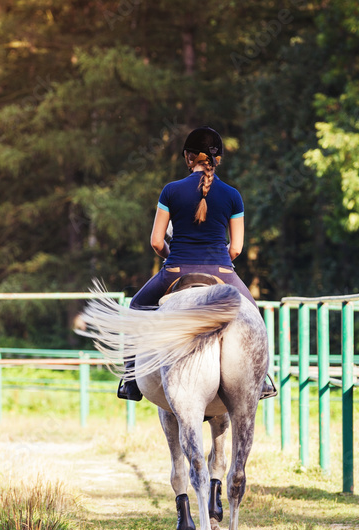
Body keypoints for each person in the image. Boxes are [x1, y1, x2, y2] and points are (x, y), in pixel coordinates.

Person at [116, 126, 277, 401]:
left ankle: (130, 379)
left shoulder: (170, 191)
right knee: (253, 314)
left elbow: (156, 242)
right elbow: (236, 248)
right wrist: (220, 258)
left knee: (136, 307)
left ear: (189, 158)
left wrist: (173, 257)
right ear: (219, 160)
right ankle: (262, 378)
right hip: (223, 272)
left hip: (176, 269)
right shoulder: (232, 195)